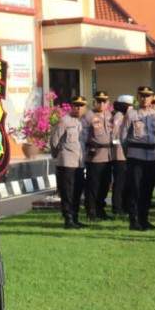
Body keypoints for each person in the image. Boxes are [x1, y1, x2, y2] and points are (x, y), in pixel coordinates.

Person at [120, 85, 155, 231]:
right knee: (135, 189)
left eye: (148, 96)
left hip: (152, 156)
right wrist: (128, 154)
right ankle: (134, 220)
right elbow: (123, 137)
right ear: (137, 97)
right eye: (142, 96)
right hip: (136, 156)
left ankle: (145, 219)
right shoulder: (131, 115)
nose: (145, 99)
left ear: (152, 97)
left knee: (148, 189)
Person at [50, 95, 88, 228]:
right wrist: (58, 157)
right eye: (76, 105)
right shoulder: (64, 121)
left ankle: (75, 218)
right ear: (72, 106)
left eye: (81, 105)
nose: (78, 108)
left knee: (77, 192)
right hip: (66, 163)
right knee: (68, 193)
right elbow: (54, 141)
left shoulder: (84, 123)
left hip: (79, 163)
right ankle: (68, 219)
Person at [83, 91, 114, 221]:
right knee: (93, 185)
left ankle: (100, 209)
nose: (101, 104)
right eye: (99, 101)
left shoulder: (108, 115)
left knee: (105, 185)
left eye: (104, 101)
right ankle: (91, 211)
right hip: (95, 156)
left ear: (107, 103)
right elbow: (83, 135)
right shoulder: (88, 116)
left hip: (107, 155)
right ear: (94, 101)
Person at [109, 95, 132, 216]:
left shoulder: (126, 116)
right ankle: (117, 207)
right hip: (119, 154)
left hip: (126, 153)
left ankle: (125, 205)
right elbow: (114, 136)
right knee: (120, 182)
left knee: (126, 182)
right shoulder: (118, 116)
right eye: (128, 105)